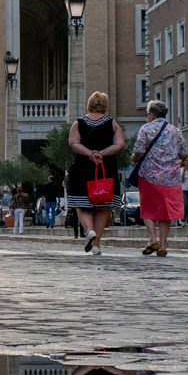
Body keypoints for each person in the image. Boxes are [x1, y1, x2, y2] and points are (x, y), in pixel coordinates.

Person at [66, 91, 126, 255]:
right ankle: (97, 245)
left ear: (89, 104)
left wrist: (89, 153)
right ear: (105, 105)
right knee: (102, 206)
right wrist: (101, 153)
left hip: (83, 168)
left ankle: (89, 231)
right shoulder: (112, 123)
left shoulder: (78, 122)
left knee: (81, 204)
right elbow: (120, 144)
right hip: (105, 169)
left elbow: (73, 143)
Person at [127, 100, 188, 256]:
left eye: (147, 114)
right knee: (166, 212)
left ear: (152, 114)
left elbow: (139, 150)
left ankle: (152, 239)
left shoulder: (146, 129)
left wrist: (133, 158)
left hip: (149, 174)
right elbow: (184, 153)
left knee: (148, 208)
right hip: (171, 177)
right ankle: (163, 246)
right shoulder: (175, 130)